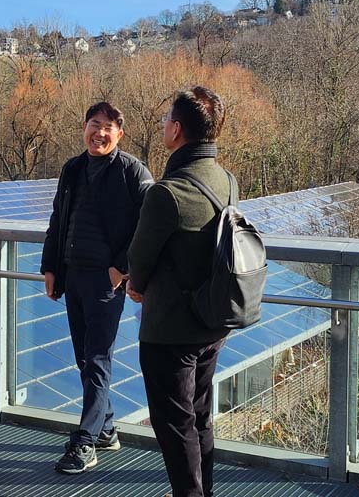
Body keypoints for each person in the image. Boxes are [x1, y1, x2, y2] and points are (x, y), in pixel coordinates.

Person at [126, 86, 231, 497]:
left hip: (169, 329)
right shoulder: (227, 181)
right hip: (213, 321)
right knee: (200, 417)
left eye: (166, 120)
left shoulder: (166, 193)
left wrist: (136, 286)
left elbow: (139, 257)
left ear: (175, 129)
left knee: (175, 425)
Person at [41, 102, 153, 474]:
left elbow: (147, 224)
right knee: (84, 359)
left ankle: (85, 442)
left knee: (98, 359)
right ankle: (105, 429)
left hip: (106, 281)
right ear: (84, 127)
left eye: (108, 127)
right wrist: (51, 268)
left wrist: (121, 269)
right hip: (73, 276)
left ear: (119, 133)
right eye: (94, 124)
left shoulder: (132, 171)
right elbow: (59, 218)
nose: (99, 133)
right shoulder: (72, 169)